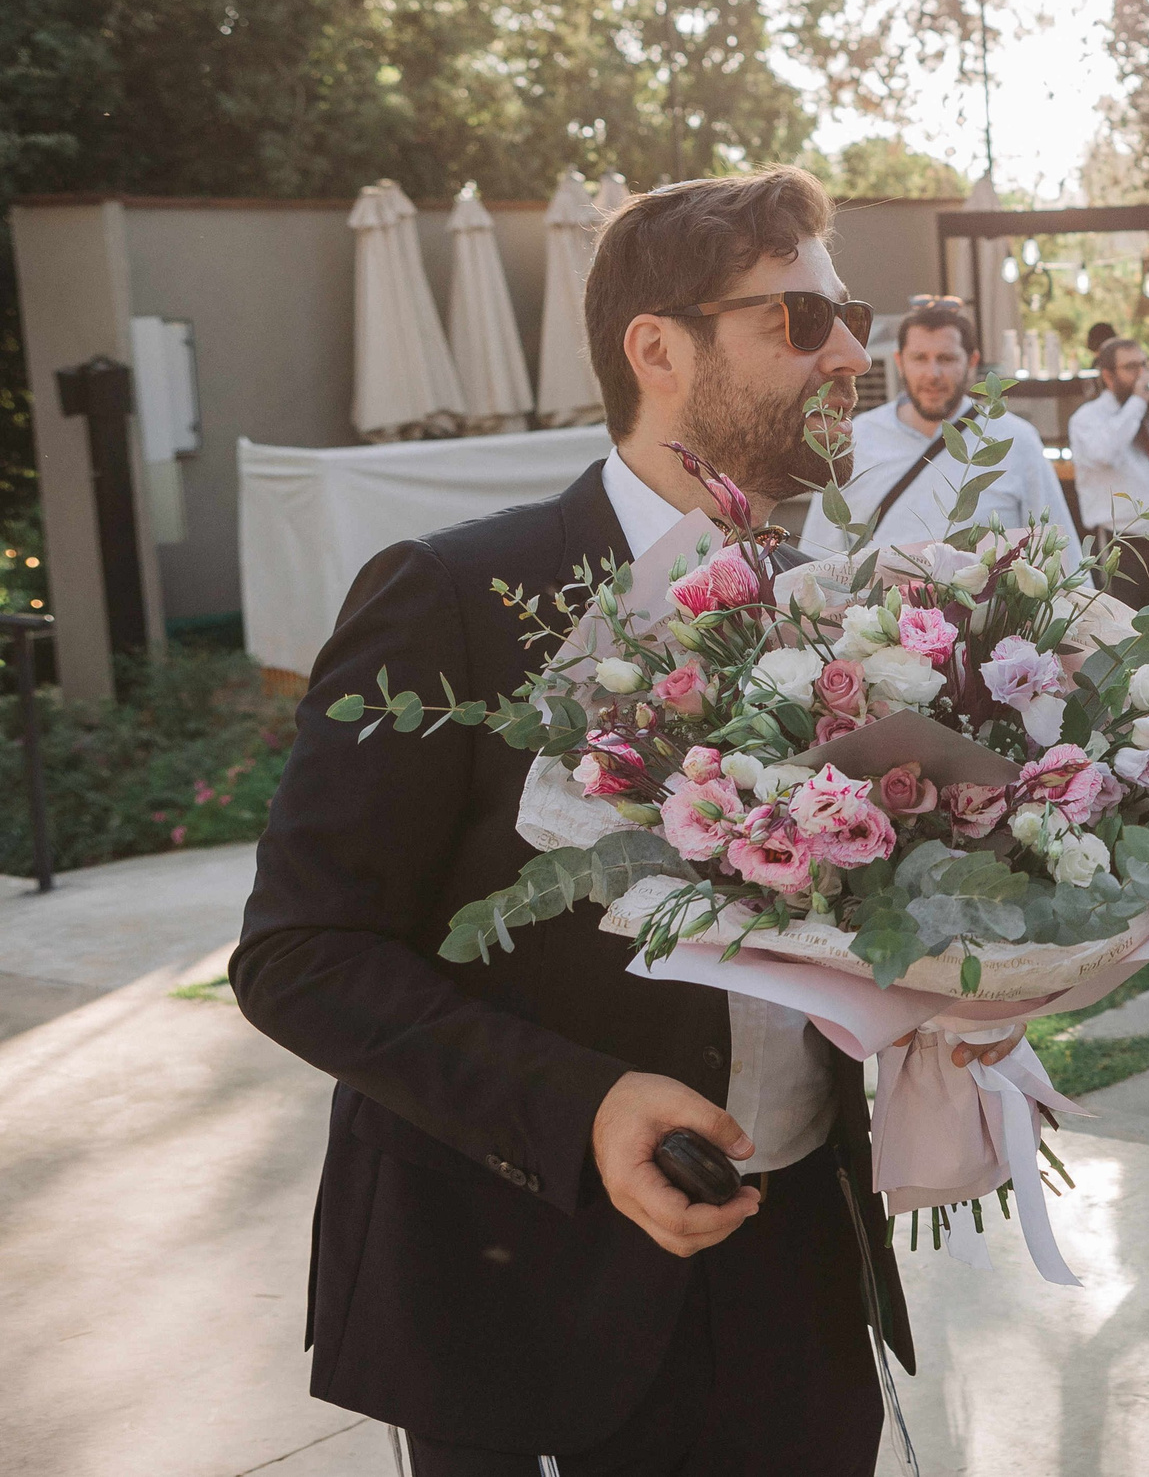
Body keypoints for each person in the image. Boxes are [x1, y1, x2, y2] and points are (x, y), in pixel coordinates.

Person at [229, 167, 1021, 1474]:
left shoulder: (847, 614)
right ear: (657, 346)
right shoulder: (452, 596)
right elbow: (300, 955)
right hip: (527, 1287)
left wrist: (948, 988)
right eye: (802, 316)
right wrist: (584, 1106)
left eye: (853, 311)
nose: (853, 349)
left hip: (796, 1283)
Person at [802, 300, 1072, 554]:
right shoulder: (853, 439)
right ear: (900, 362)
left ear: (971, 363)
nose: (933, 374)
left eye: (946, 359)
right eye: (920, 358)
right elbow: (818, 556)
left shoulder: (1015, 440)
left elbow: (1059, 551)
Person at [1070, 334, 1149, 604]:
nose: (1142, 374)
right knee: (1126, 630)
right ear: (1108, 376)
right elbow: (1105, 453)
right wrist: (1137, 402)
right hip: (1121, 544)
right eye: (1132, 367)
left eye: (1145, 365)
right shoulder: (1087, 418)